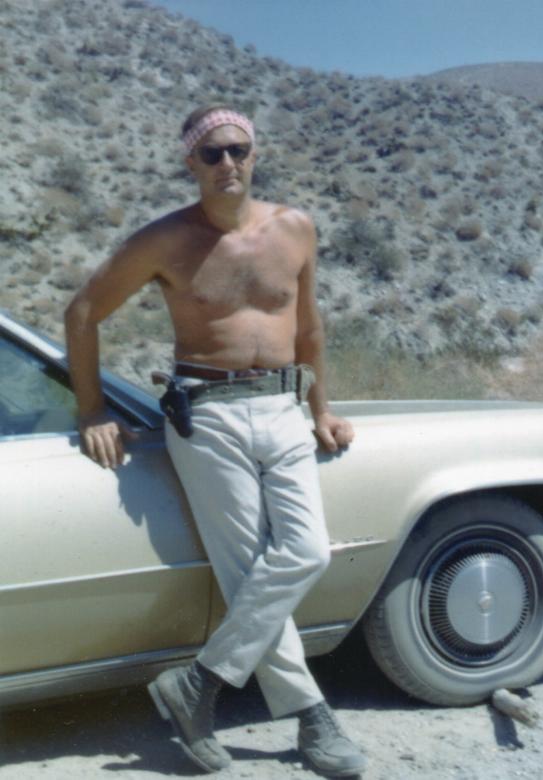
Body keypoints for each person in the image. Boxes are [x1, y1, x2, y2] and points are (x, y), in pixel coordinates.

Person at [64, 105, 367, 777]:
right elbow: (82, 312)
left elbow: (310, 327)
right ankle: (312, 721)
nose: (227, 164)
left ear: (254, 154)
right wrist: (90, 412)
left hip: (285, 408)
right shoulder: (164, 241)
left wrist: (322, 409)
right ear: (190, 164)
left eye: (237, 150)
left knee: (304, 550)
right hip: (207, 416)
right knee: (247, 569)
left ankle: (198, 683)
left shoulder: (295, 229)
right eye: (211, 155)